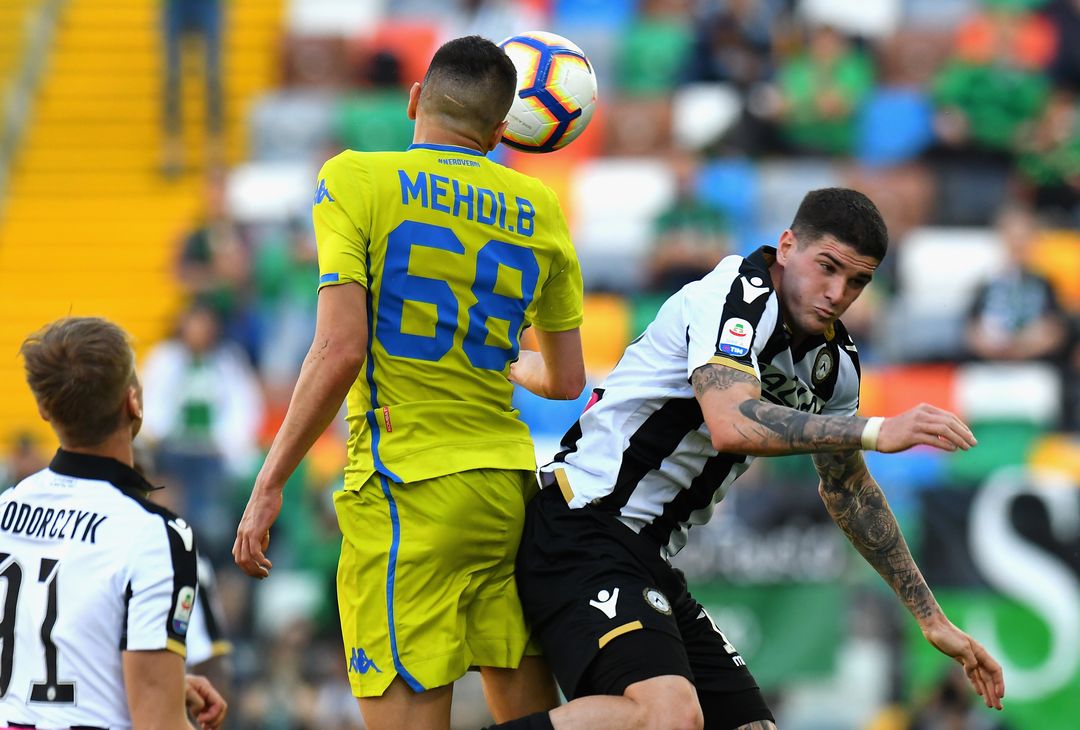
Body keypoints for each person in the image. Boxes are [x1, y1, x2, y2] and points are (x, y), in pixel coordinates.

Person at [488, 189, 1005, 730]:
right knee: (667, 717)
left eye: (858, 281)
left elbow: (848, 490)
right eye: (827, 267)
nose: (837, 293)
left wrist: (930, 617)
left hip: (647, 555)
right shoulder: (736, 293)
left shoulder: (835, 366)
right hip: (583, 527)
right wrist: (877, 430)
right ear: (787, 246)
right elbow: (730, 421)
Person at [233, 35, 586, 730]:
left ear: (416, 98)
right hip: (507, 489)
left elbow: (339, 349)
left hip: (406, 484)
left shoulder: (356, 178)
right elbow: (568, 378)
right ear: (498, 132)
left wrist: (269, 482)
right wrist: (502, 359)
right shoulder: (540, 205)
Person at [0, 316, 227, 730]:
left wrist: (160, 683)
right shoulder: (155, 536)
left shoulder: (5, 508)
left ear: (44, 409)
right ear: (134, 402)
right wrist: (161, 697)